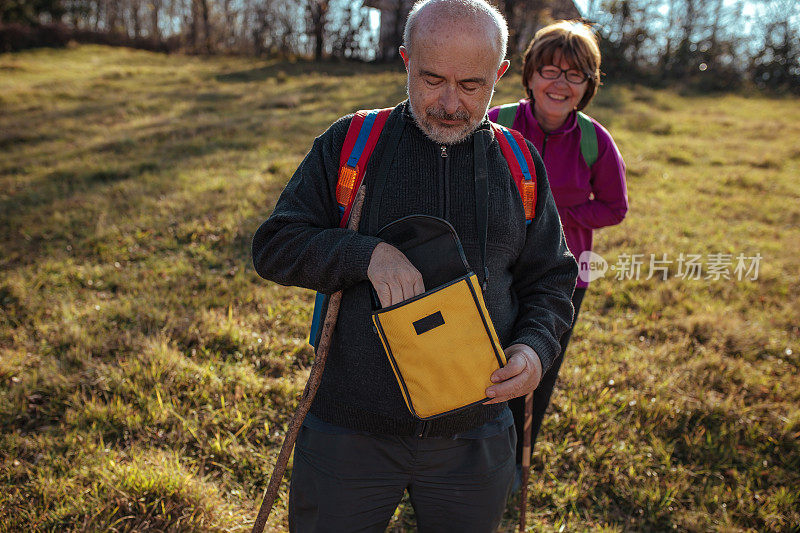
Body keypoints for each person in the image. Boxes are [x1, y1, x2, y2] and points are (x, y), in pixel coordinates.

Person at [252, 1, 578, 530]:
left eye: (472, 85)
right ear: (405, 60)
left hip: (477, 434)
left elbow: (552, 277)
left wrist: (536, 348)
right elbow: (275, 243)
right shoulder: (353, 144)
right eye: (431, 79)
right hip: (349, 432)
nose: (449, 104)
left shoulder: (518, 163)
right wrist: (364, 254)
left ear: (498, 74)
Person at [488, 21, 628, 475]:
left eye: (575, 74)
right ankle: (465, 460)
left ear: (588, 86)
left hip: (565, 277)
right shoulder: (495, 125)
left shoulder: (595, 142)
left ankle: (515, 465)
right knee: (485, 364)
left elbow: (614, 207)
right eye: (550, 70)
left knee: (535, 373)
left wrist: (553, 217)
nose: (560, 83)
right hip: (495, 268)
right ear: (528, 75)